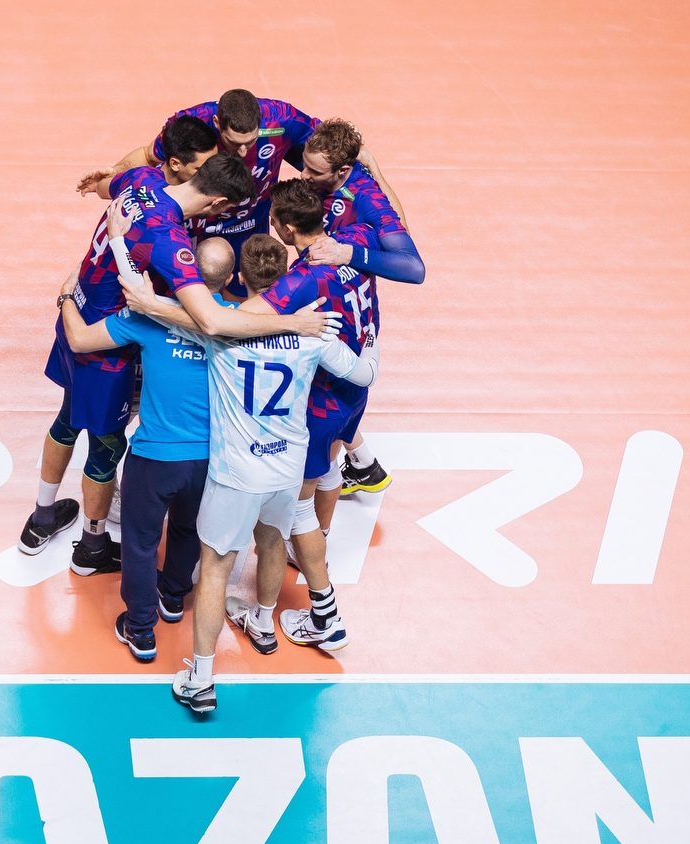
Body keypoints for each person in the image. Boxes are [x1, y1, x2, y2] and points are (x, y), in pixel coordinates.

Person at [21, 153, 329, 576]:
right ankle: (92, 546)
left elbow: (105, 186)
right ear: (218, 204)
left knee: (66, 420)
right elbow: (212, 321)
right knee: (107, 447)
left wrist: (73, 289)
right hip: (108, 356)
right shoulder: (171, 243)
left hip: (83, 314)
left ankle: (41, 516)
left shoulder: (142, 180)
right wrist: (294, 322)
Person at [122, 235, 375, 713]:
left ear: (242, 278)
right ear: (287, 280)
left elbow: (181, 316)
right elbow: (363, 375)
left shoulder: (224, 330)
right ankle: (262, 621)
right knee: (273, 541)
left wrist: (140, 284)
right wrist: (373, 346)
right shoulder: (313, 331)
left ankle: (200, 679)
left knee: (215, 567)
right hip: (287, 468)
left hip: (237, 474)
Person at [53, 233, 241, 662]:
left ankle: (140, 630)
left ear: (185, 273)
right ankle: (172, 597)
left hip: (155, 457)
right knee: (188, 529)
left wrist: (65, 296)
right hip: (213, 459)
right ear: (231, 279)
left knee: (139, 543)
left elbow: (79, 340)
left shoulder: (151, 316)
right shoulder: (242, 322)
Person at [246, 179, 383, 650]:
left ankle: (326, 617)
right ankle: (315, 543)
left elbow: (234, 320)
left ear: (287, 227)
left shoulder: (303, 279)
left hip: (319, 404)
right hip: (353, 396)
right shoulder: (353, 246)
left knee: (298, 507)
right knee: (329, 470)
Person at [79, 89, 318, 296]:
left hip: (249, 224)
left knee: (248, 294)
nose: (243, 152)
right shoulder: (193, 122)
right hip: (197, 224)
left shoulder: (283, 118)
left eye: (251, 141)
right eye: (234, 143)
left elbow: (326, 146)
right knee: (188, 293)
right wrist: (116, 172)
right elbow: (149, 156)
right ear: (217, 123)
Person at [298, 118, 427, 497]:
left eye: (313, 172)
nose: (303, 175)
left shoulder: (365, 195)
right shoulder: (323, 169)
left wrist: (348, 253)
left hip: (347, 317)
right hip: (332, 296)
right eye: (304, 165)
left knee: (329, 405)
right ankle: (363, 465)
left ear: (342, 170)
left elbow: (413, 267)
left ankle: (318, 500)